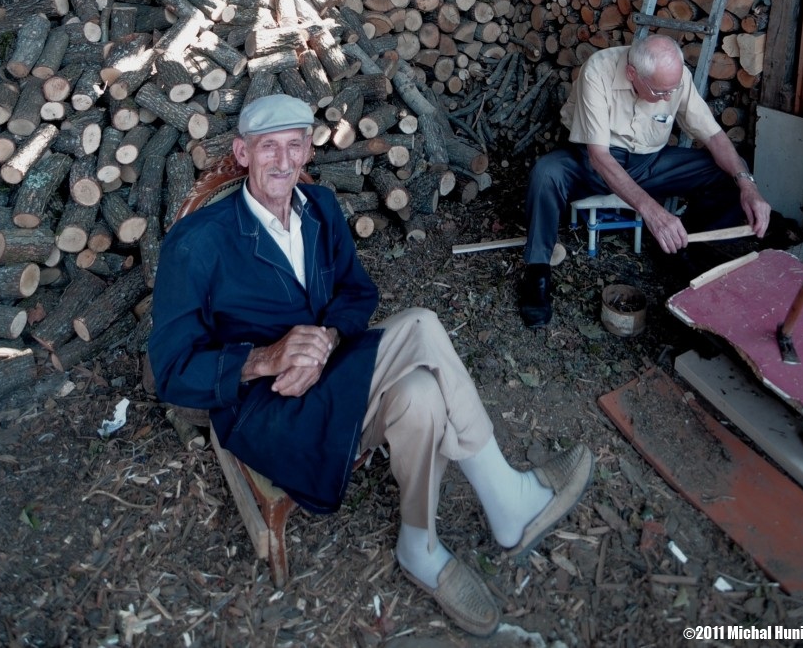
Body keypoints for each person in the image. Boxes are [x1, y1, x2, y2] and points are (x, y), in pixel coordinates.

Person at [149, 94, 595, 638]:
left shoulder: (320, 209)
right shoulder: (197, 242)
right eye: (269, 148)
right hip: (267, 411)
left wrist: (326, 340)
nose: (283, 161)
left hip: (332, 377)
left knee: (422, 395)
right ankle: (506, 499)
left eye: (294, 146)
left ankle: (420, 544)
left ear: (308, 149)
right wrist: (266, 358)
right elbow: (172, 371)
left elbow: (357, 294)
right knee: (423, 324)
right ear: (242, 152)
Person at [519, 35, 772, 327]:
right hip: (593, 163)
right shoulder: (598, 71)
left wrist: (748, 184)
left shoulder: (675, 78)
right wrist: (653, 212)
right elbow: (600, 157)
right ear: (632, 74)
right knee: (545, 173)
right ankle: (537, 272)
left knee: (730, 171)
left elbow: (714, 136)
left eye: (672, 90)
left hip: (650, 163)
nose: (668, 97)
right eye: (659, 91)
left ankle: (683, 245)